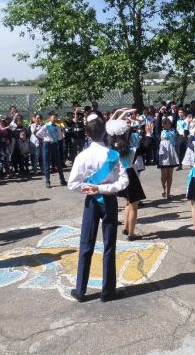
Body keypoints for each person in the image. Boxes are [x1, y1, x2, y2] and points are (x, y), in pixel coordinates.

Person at [67, 115, 129, 303]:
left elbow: (72, 184)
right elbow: (124, 181)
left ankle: (80, 290)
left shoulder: (82, 156)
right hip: (109, 201)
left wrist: (92, 188)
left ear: (87, 134)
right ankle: (107, 291)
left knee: (86, 243)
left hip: (92, 201)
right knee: (109, 245)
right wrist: (103, 189)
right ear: (104, 133)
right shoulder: (114, 155)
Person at [107, 109, 146, 240]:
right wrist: (148, 133)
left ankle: (126, 227)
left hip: (119, 175)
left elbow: (110, 127)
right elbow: (146, 145)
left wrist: (119, 112)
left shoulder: (111, 146)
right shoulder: (131, 150)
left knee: (128, 203)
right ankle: (131, 233)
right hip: (130, 175)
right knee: (134, 205)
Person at [37, 111, 67, 188]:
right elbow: (38, 134)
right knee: (46, 163)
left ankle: (62, 180)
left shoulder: (57, 127)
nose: (55, 118)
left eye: (56, 117)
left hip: (54, 145)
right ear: (50, 118)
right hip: (46, 144)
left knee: (58, 163)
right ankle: (47, 181)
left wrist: (55, 138)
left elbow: (60, 137)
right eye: (54, 117)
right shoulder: (46, 126)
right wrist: (46, 138)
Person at [157, 116, 179, 199]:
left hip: (171, 154)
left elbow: (175, 120)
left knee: (170, 175)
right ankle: (163, 188)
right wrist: (160, 114)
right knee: (164, 175)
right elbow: (158, 123)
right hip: (163, 154)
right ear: (163, 124)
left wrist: (174, 112)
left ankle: (168, 193)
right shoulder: (160, 131)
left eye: (168, 124)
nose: (167, 125)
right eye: (165, 124)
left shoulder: (173, 131)